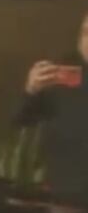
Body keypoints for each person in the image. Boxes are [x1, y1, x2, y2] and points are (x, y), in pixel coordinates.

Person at [16, 11, 88, 202]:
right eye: (85, 33)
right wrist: (31, 90)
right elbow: (22, 120)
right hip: (63, 190)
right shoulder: (63, 74)